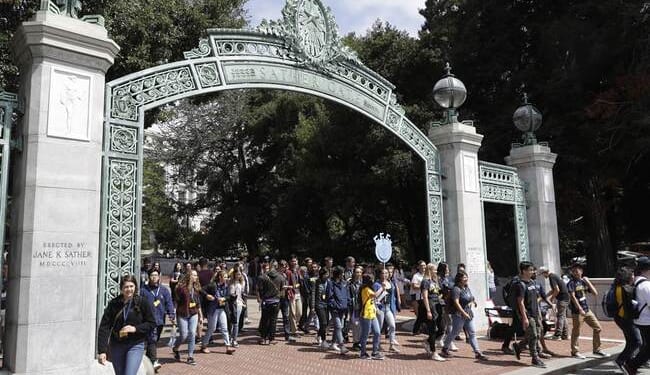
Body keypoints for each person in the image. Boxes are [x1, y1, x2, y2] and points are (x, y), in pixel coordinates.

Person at [97, 275, 156, 375]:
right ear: (121, 289)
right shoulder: (114, 304)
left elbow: (151, 323)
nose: (129, 289)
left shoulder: (142, 302)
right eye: (126, 287)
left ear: (135, 287)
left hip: (135, 344)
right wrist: (102, 350)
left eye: (131, 286)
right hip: (117, 345)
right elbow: (104, 326)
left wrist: (135, 329)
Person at [440, 270, 488, 361]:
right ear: (459, 279)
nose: (466, 279)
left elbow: (470, 297)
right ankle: (445, 348)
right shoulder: (456, 289)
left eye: (466, 277)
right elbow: (456, 302)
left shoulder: (466, 288)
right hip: (459, 314)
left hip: (468, 313)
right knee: (455, 332)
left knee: (472, 333)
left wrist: (473, 301)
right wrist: (463, 313)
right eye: (464, 277)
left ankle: (477, 352)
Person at [567, 262, 607, 359]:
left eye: (577, 271)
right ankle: (575, 351)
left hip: (587, 310)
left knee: (598, 328)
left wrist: (588, 282)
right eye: (574, 271)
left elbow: (595, 293)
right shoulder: (571, 283)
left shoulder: (583, 282)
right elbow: (572, 297)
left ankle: (597, 349)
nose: (576, 273)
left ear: (581, 271)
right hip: (578, 312)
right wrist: (579, 308)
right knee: (576, 331)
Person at [510, 261, 545, 368]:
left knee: (537, 334)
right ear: (524, 271)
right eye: (530, 270)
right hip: (527, 314)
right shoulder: (520, 285)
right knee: (533, 335)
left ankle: (519, 347)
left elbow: (536, 297)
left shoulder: (532, 282)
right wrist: (524, 317)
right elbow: (520, 302)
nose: (532, 272)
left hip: (535, 313)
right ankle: (535, 358)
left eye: (533, 269)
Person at [140, 269, 175, 371]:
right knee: (152, 339)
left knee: (154, 341)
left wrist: (171, 314)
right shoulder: (143, 290)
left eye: (156, 275)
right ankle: (154, 361)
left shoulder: (164, 290)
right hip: (148, 320)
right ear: (148, 277)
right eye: (152, 275)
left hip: (160, 319)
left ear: (159, 277)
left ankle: (147, 362)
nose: (154, 277)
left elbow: (169, 303)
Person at [610, 267, 641, 373]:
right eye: (632, 274)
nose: (634, 276)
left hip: (618, 317)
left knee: (630, 341)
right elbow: (632, 306)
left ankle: (627, 362)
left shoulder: (616, 286)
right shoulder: (627, 289)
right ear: (627, 277)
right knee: (637, 341)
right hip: (626, 318)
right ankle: (621, 360)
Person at [623, 257, 650, 375]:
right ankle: (631, 365)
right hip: (647, 320)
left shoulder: (635, 281)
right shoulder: (646, 285)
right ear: (647, 269)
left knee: (647, 345)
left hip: (639, 319)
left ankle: (631, 364)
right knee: (648, 348)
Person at [172, 270, 202, 365]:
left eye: (196, 275)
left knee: (192, 333)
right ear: (189, 276)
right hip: (183, 313)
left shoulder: (196, 288)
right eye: (194, 275)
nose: (195, 277)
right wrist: (173, 314)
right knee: (184, 335)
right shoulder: (181, 288)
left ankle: (190, 356)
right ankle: (176, 348)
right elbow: (176, 301)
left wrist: (201, 315)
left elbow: (198, 303)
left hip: (194, 313)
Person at [201, 270, 234, 354]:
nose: (226, 278)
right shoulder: (212, 285)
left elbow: (229, 296)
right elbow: (201, 290)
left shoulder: (226, 286)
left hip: (222, 308)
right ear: (220, 277)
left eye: (227, 277)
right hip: (213, 309)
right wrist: (207, 296)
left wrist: (225, 299)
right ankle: (204, 345)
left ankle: (228, 346)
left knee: (224, 328)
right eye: (225, 277)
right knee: (212, 328)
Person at [420, 263, 445, 361]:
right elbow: (425, 297)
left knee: (442, 328)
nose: (436, 272)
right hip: (431, 306)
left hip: (438, 305)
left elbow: (438, 293)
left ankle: (427, 341)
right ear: (430, 270)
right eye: (434, 270)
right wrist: (428, 311)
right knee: (432, 329)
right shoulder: (425, 282)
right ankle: (434, 352)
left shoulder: (434, 281)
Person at [257, 261, 285, 345]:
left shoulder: (262, 277)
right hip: (276, 301)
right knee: (273, 320)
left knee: (264, 319)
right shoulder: (281, 277)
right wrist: (278, 297)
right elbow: (282, 291)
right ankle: (271, 339)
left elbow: (260, 290)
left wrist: (261, 298)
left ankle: (263, 338)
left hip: (266, 301)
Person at [374, 267, 400, 353]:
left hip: (388, 307)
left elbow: (392, 297)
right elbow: (374, 297)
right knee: (379, 327)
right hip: (380, 307)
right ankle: (377, 345)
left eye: (386, 273)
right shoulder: (377, 284)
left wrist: (395, 307)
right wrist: (382, 288)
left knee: (392, 325)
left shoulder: (390, 284)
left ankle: (391, 344)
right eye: (383, 273)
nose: (385, 275)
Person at [539, 266, 569, 340]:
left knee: (560, 316)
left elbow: (557, 290)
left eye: (542, 274)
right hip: (566, 298)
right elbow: (553, 290)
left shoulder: (551, 277)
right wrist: (545, 296)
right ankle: (565, 335)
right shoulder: (554, 276)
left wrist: (551, 299)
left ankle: (557, 334)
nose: (543, 276)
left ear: (544, 273)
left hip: (562, 298)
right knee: (563, 316)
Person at [359, 274, 384, 360]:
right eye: (371, 279)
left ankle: (375, 352)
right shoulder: (365, 289)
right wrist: (382, 288)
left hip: (372, 314)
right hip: (366, 314)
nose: (373, 281)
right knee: (365, 334)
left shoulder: (370, 288)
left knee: (377, 332)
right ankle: (363, 352)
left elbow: (373, 300)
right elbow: (375, 295)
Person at [328, 266, 350, 354]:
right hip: (335, 308)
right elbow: (330, 296)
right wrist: (334, 305)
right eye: (342, 273)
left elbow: (347, 294)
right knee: (338, 326)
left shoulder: (344, 283)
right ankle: (342, 346)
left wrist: (347, 303)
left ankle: (333, 343)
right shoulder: (331, 283)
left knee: (338, 326)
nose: (343, 274)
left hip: (343, 308)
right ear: (338, 274)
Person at [312, 267, 331, 349]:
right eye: (325, 274)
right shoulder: (316, 282)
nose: (327, 276)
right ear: (322, 275)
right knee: (323, 322)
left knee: (326, 323)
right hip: (319, 304)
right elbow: (313, 295)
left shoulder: (329, 282)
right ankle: (324, 340)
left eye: (328, 274)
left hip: (326, 304)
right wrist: (312, 306)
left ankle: (319, 335)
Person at [229, 267, 247, 347]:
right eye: (237, 274)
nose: (238, 275)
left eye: (239, 274)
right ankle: (230, 338)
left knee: (236, 322)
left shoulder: (241, 282)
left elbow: (241, 293)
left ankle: (234, 339)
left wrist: (242, 301)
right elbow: (230, 293)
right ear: (234, 274)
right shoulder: (231, 282)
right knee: (232, 323)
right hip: (232, 303)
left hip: (239, 303)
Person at [348, 266, 364, 351]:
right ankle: (356, 342)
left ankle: (360, 341)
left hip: (362, 306)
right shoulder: (350, 283)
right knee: (355, 324)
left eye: (360, 272)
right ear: (354, 273)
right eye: (357, 272)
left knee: (361, 325)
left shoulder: (364, 283)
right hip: (353, 307)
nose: (358, 274)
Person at [410, 261, 426, 335]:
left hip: (424, 297)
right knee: (419, 314)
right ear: (418, 267)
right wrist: (423, 286)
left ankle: (419, 328)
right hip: (417, 297)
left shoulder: (426, 275)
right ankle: (417, 329)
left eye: (424, 265)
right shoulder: (416, 276)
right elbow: (414, 286)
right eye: (421, 266)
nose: (423, 267)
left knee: (422, 314)